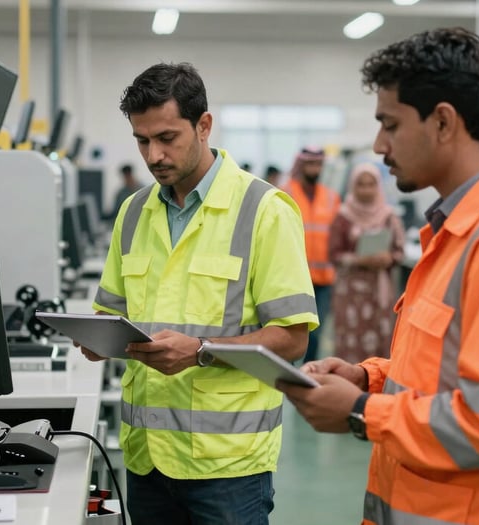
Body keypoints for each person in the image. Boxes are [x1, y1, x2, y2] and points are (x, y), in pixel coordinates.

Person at [279, 27, 479, 525]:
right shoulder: (459, 234)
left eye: (390, 124)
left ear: (443, 122)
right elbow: (444, 371)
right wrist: (369, 380)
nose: (379, 145)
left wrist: (360, 411)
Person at [80, 62, 318, 525]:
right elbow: (110, 313)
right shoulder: (132, 213)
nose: (153, 156)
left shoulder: (264, 211)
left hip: (227, 465)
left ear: (204, 125)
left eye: (167, 138)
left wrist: (202, 351)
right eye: (142, 141)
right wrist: (95, 340)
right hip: (146, 457)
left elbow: (292, 339)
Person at [329, 162, 405, 363]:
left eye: (371, 184)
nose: (366, 190)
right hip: (351, 293)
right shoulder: (343, 216)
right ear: (353, 186)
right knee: (351, 341)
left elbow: (399, 251)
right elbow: (333, 254)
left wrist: (388, 258)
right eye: (361, 184)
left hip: (379, 292)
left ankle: (377, 387)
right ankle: (349, 390)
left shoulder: (388, 216)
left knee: (381, 340)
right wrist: (360, 260)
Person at [282, 146, 341, 363]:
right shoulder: (285, 192)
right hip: (293, 277)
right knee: (290, 331)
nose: (315, 168)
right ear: (301, 164)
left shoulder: (331, 198)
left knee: (316, 332)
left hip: (324, 278)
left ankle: (310, 374)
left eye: (318, 164)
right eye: (310, 164)